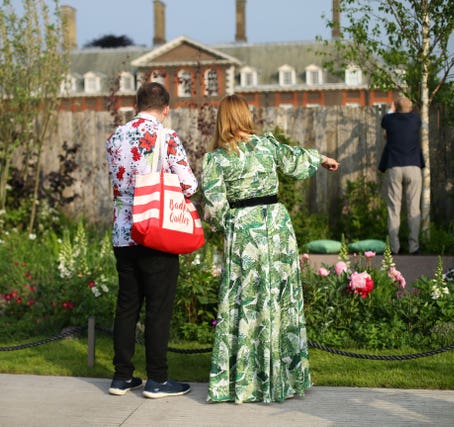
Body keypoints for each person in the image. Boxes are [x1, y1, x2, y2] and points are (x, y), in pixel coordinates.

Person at [201, 94, 339, 404]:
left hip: (244, 231)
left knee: (245, 300)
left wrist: (233, 227)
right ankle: (283, 378)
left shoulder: (215, 159)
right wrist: (323, 158)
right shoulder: (266, 145)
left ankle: (245, 381)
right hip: (276, 226)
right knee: (278, 298)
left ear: (222, 118)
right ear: (245, 115)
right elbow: (296, 160)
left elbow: (214, 205)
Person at [104, 82, 198, 399]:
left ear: (137, 105)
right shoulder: (165, 136)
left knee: (127, 305)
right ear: (166, 108)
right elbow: (188, 183)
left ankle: (122, 377)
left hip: (122, 230)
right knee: (158, 308)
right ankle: (157, 379)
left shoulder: (115, 136)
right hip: (156, 231)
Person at [378, 96, 424, 255]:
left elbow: (384, 121)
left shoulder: (390, 120)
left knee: (393, 208)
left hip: (395, 167)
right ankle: (414, 247)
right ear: (410, 108)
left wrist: (391, 109)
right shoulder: (416, 120)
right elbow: (413, 116)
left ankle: (394, 248)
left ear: (396, 107)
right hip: (413, 167)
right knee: (413, 209)